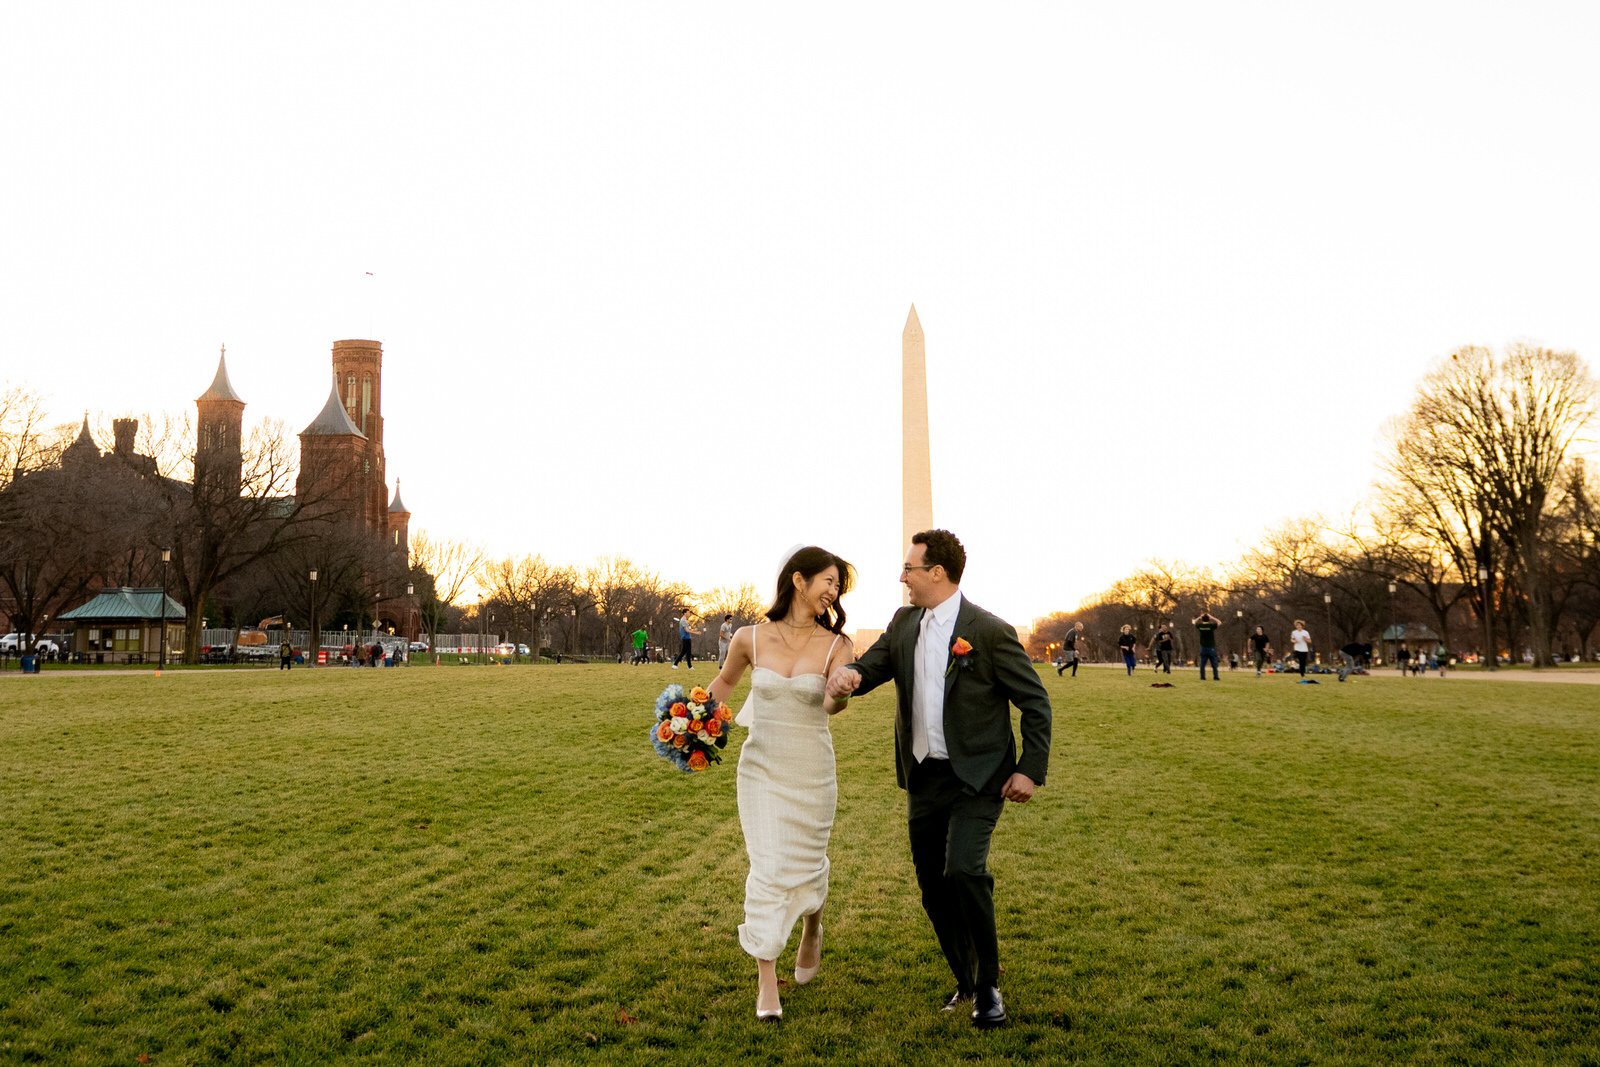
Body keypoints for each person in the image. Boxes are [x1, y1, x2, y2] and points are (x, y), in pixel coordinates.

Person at [828, 529, 1051, 1030]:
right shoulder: (905, 623)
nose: (902, 576)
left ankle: (990, 986)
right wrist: (852, 676)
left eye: (909, 568)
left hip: (979, 776)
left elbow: (1034, 702)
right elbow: (875, 663)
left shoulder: (989, 631)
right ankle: (966, 980)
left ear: (937, 573)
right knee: (932, 884)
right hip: (924, 776)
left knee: (963, 870)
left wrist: (1029, 769)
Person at [708, 546, 856, 1022]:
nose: (833, 591)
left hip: (812, 772)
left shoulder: (838, 645)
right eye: (828, 581)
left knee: (807, 862)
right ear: (799, 580)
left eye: (838, 586)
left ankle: (813, 922)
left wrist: (839, 693)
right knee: (768, 868)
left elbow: (833, 706)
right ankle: (766, 978)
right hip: (762, 771)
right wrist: (690, 718)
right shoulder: (749, 637)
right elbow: (724, 686)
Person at [1193, 612, 1221, 680]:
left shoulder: (1200, 626)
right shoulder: (1211, 626)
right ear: (1209, 619)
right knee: (1214, 664)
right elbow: (1219, 622)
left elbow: (1193, 622)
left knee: (1202, 664)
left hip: (1203, 647)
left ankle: (1202, 677)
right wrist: (1212, 617)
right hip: (1211, 647)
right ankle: (1216, 677)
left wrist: (1199, 617)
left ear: (1202, 620)